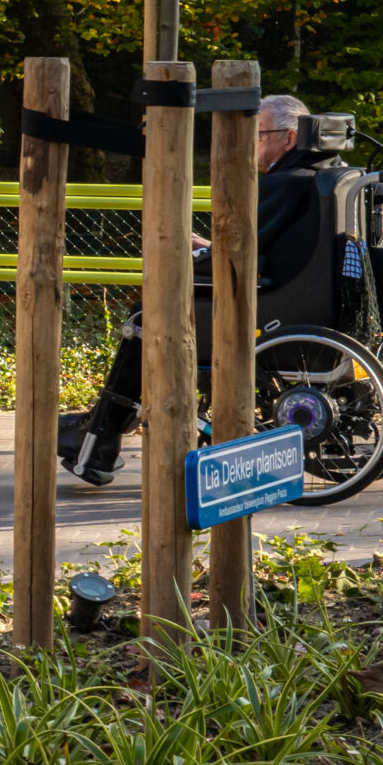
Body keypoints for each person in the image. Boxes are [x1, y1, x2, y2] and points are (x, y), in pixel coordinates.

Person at [61, 94, 328, 485]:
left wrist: (201, 254)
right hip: (293, 295)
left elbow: (241, 255)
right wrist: (208, 246)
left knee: (143, 316)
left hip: (268, 306)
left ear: (289, 139)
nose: (250, 143)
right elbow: (253, 244)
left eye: (258, 134)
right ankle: (101, 426)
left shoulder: (284, 182)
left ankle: (100, 436)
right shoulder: (315, 176)